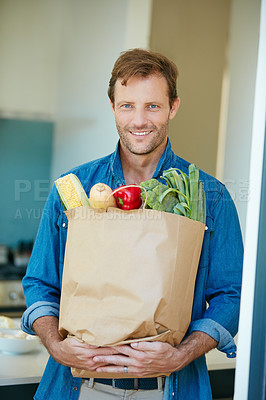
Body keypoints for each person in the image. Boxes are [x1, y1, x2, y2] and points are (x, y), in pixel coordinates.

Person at [21, 48, 243, 400]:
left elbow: (231, 294)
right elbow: (39, 283)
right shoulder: (73, 187)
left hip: (171, 388)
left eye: (152, 106)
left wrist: (181, 354)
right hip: (76, 386)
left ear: (173, 107)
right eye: (127, 106)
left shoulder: (210, 196)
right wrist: (55, 344)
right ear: (112, 108)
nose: (139, 120)